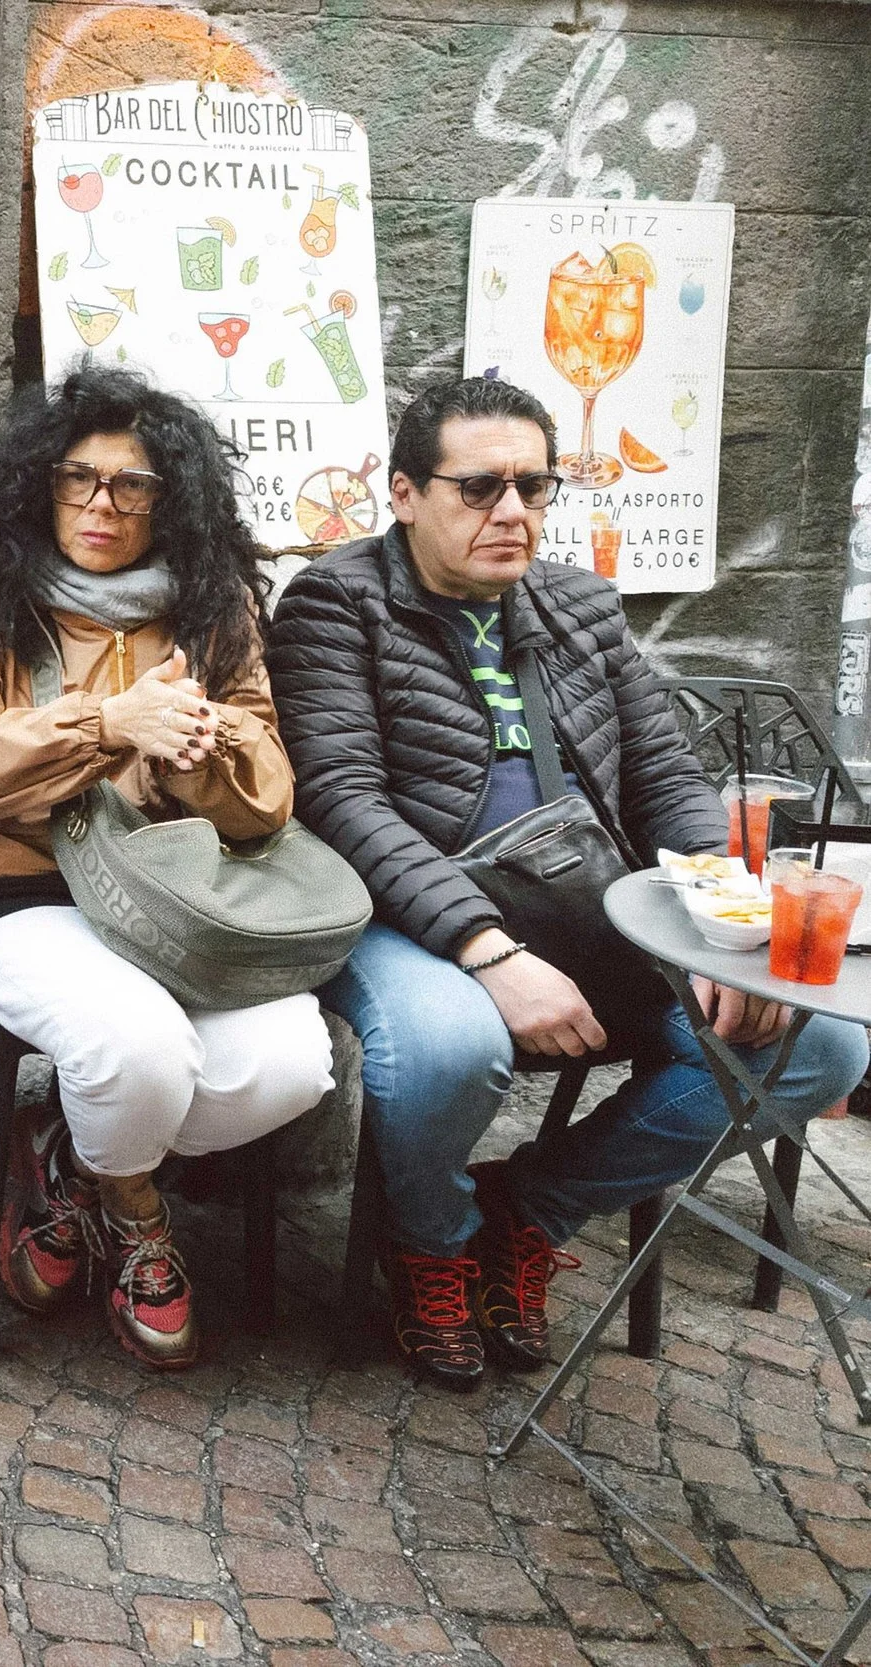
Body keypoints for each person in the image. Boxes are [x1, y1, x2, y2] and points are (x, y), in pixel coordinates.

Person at [267, 375, 870, 1388]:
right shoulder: (334, 602)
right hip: (407, 912)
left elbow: (666, 780)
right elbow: (340, 801)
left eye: (533, 488)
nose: (512, 512)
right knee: (448, 1045)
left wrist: (728, 926)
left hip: (586, 900)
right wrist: (487, 952)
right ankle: (428, 1242)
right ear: (405, 493)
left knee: (820, 1048)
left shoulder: (579, 603)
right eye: (480, 488)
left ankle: (527, 1208)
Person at [0, 364, 335, 1371]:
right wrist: (105, 723)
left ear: (167, 499)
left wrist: (209, 745)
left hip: (170, 890)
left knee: (291, 1064)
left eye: (130, 485)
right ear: (39, 482)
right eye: (77, 477)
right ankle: (134, 1210)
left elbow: (269, 796)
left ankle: (64, 1153)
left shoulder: (211, 607)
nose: (99, 504)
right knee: (137, 1050)